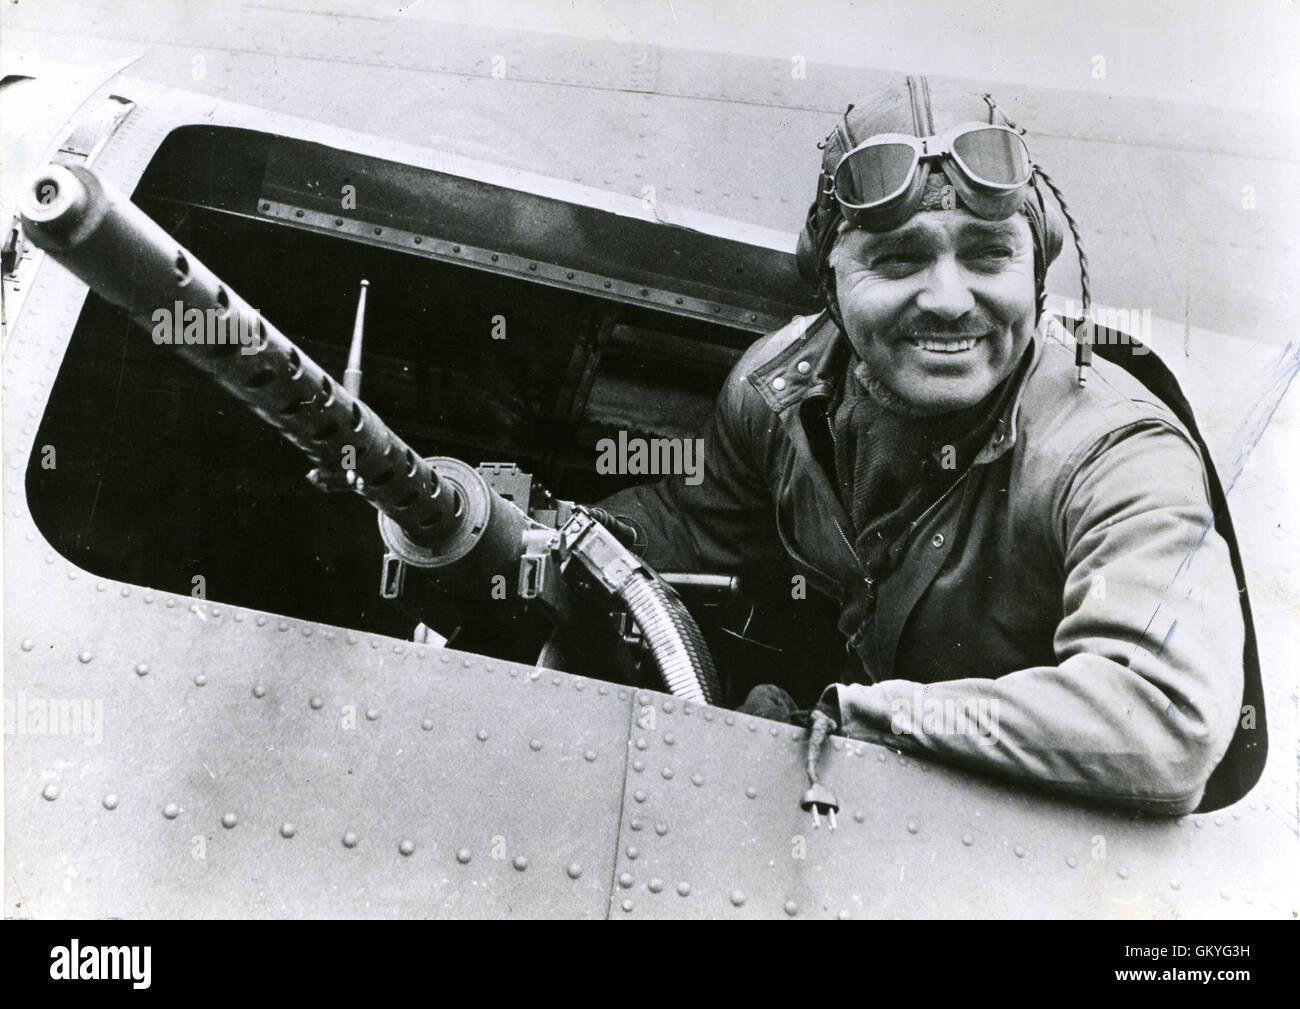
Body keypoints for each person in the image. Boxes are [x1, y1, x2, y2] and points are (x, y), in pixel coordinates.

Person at [597, 75, 1263, 816]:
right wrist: (545, 531)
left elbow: (1164, 720)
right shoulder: (778, 392)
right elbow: (697, 527)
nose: (949, 300)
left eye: (988, 255)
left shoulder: (1115, 455)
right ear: (830, 281)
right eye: (897, 260)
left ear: (1037, 269)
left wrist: (873, 717)